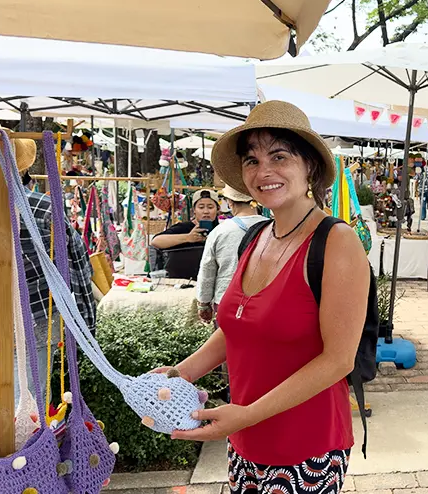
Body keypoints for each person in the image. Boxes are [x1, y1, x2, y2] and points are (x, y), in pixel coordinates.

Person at [164, 101, 369, 494]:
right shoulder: (254, 237)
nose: (264, 171)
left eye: (279, 156)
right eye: (252, 160)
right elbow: (235, 328)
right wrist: (181, 374)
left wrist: (247, 415)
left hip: (305, 447)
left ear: (309, 165)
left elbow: (338, 360)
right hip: (243, 438)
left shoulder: (336, 242)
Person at [0, 132, 96, 403]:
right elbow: (76, 266)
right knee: (29, 406)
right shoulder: (42, 207)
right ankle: (31, 447)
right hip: (36, 316)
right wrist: (86, 324)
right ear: (24, 165)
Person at [195, 186, 265, 323]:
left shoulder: (220, 231)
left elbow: (207, 271)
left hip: (227, 302)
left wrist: (203, 304)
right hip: (264, 303)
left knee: (227, 343)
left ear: (230, 202)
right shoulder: (273, 227)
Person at [150, 189, 219, 278]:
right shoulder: (183, 228)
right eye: (201, 207)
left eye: (210, 207)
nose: (206, 211)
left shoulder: (220, 230)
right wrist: (188, 237)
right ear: (194, 210)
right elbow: (156, 241)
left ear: (217, 209)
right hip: (180, 282)